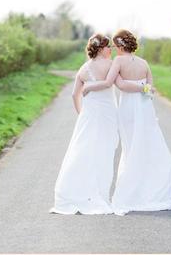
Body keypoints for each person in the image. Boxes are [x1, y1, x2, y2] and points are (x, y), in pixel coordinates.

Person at [82, 29, 171, 216]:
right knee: (148, 144)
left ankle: (133, 191)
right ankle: (151, 189)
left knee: (130, 147)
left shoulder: (118, 61)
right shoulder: (144, 63)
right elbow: (151, 88)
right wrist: (144, 87)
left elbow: (121, 85)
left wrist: (91, 85)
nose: (114, 50)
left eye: (115, 46)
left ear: (120, 46)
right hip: (145, 108)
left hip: (128, 108)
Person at [49, 33, 142, 215]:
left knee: (83, 151)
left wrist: (81, 114)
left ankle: (74, 192)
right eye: (108, 47)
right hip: (108, 115)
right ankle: (100, 195)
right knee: (104, 153)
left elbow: (74, 94)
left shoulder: (83, 69)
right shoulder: (111, 65)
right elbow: (119, 83)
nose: (111, 50)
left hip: (89, 116)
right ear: (101, 49)